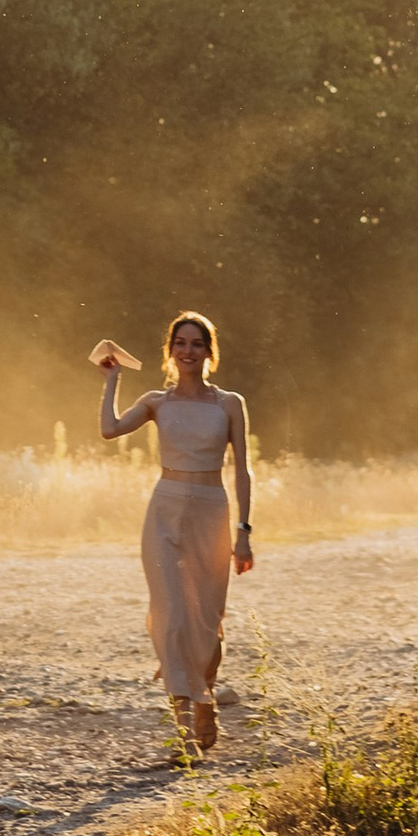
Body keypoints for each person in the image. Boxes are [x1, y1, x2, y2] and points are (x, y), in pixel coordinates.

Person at [94, 313, 254, 759]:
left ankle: (207, 699)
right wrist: (112, 381)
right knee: (171, 614)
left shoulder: (229, 404)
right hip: (164, 512)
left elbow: (242, 469)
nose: (188, 351)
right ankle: (184, 733)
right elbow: (109, 430)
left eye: (197, 344)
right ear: (170, 351)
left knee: (206, 619)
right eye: (180, 343)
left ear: (209, 351)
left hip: (211, 512)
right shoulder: (155, 402)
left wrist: (244, 531)